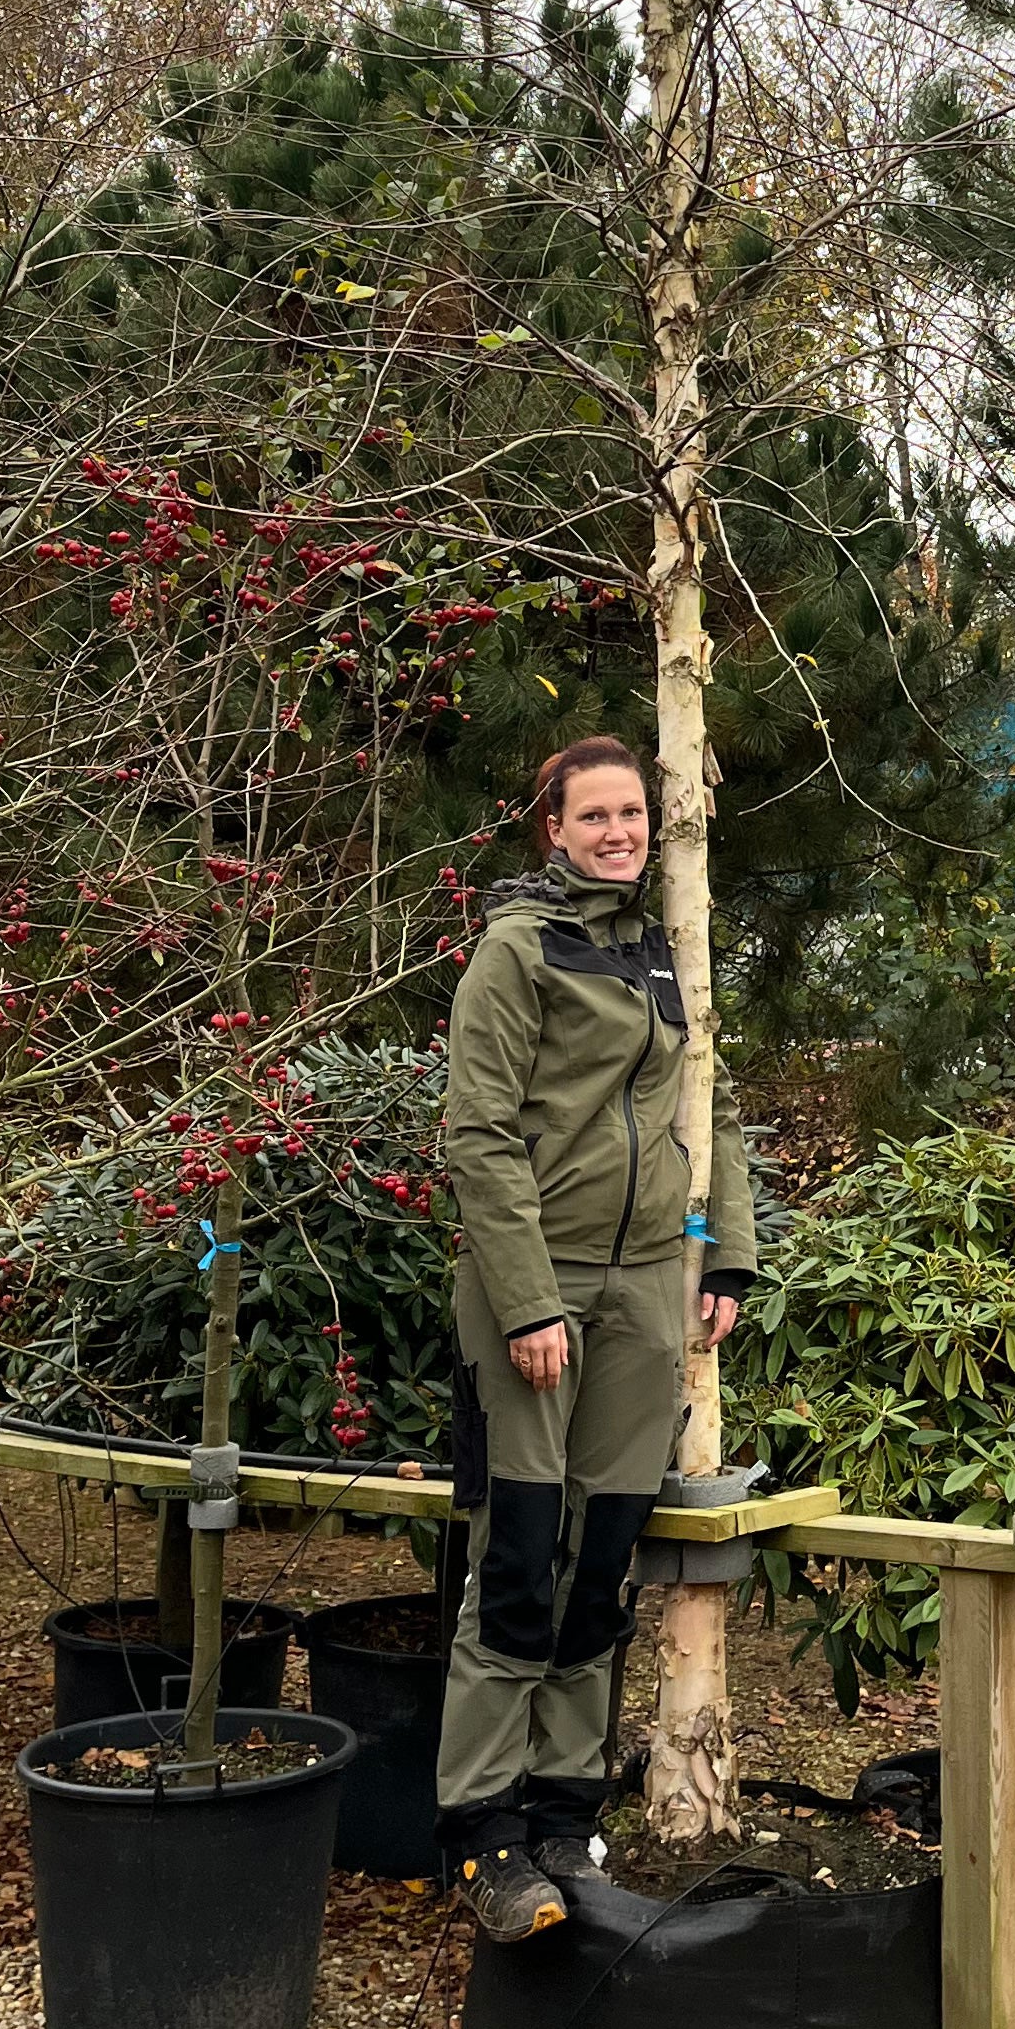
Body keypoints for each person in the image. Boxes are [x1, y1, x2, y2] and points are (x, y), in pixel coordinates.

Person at [435, 731, 755, 1941]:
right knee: (520, 1560)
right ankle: (485, 1836)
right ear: (554, 830)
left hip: (645, 1292)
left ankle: (565, 1816)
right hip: (538, 1286)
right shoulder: (518, 950)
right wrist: (526, 1300)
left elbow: (707, 1107)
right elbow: (478, 1134)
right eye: (595, 816)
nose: (618, 833)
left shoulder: (668, 952)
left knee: (599, 1559)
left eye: (633, 815)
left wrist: (724, 1253)